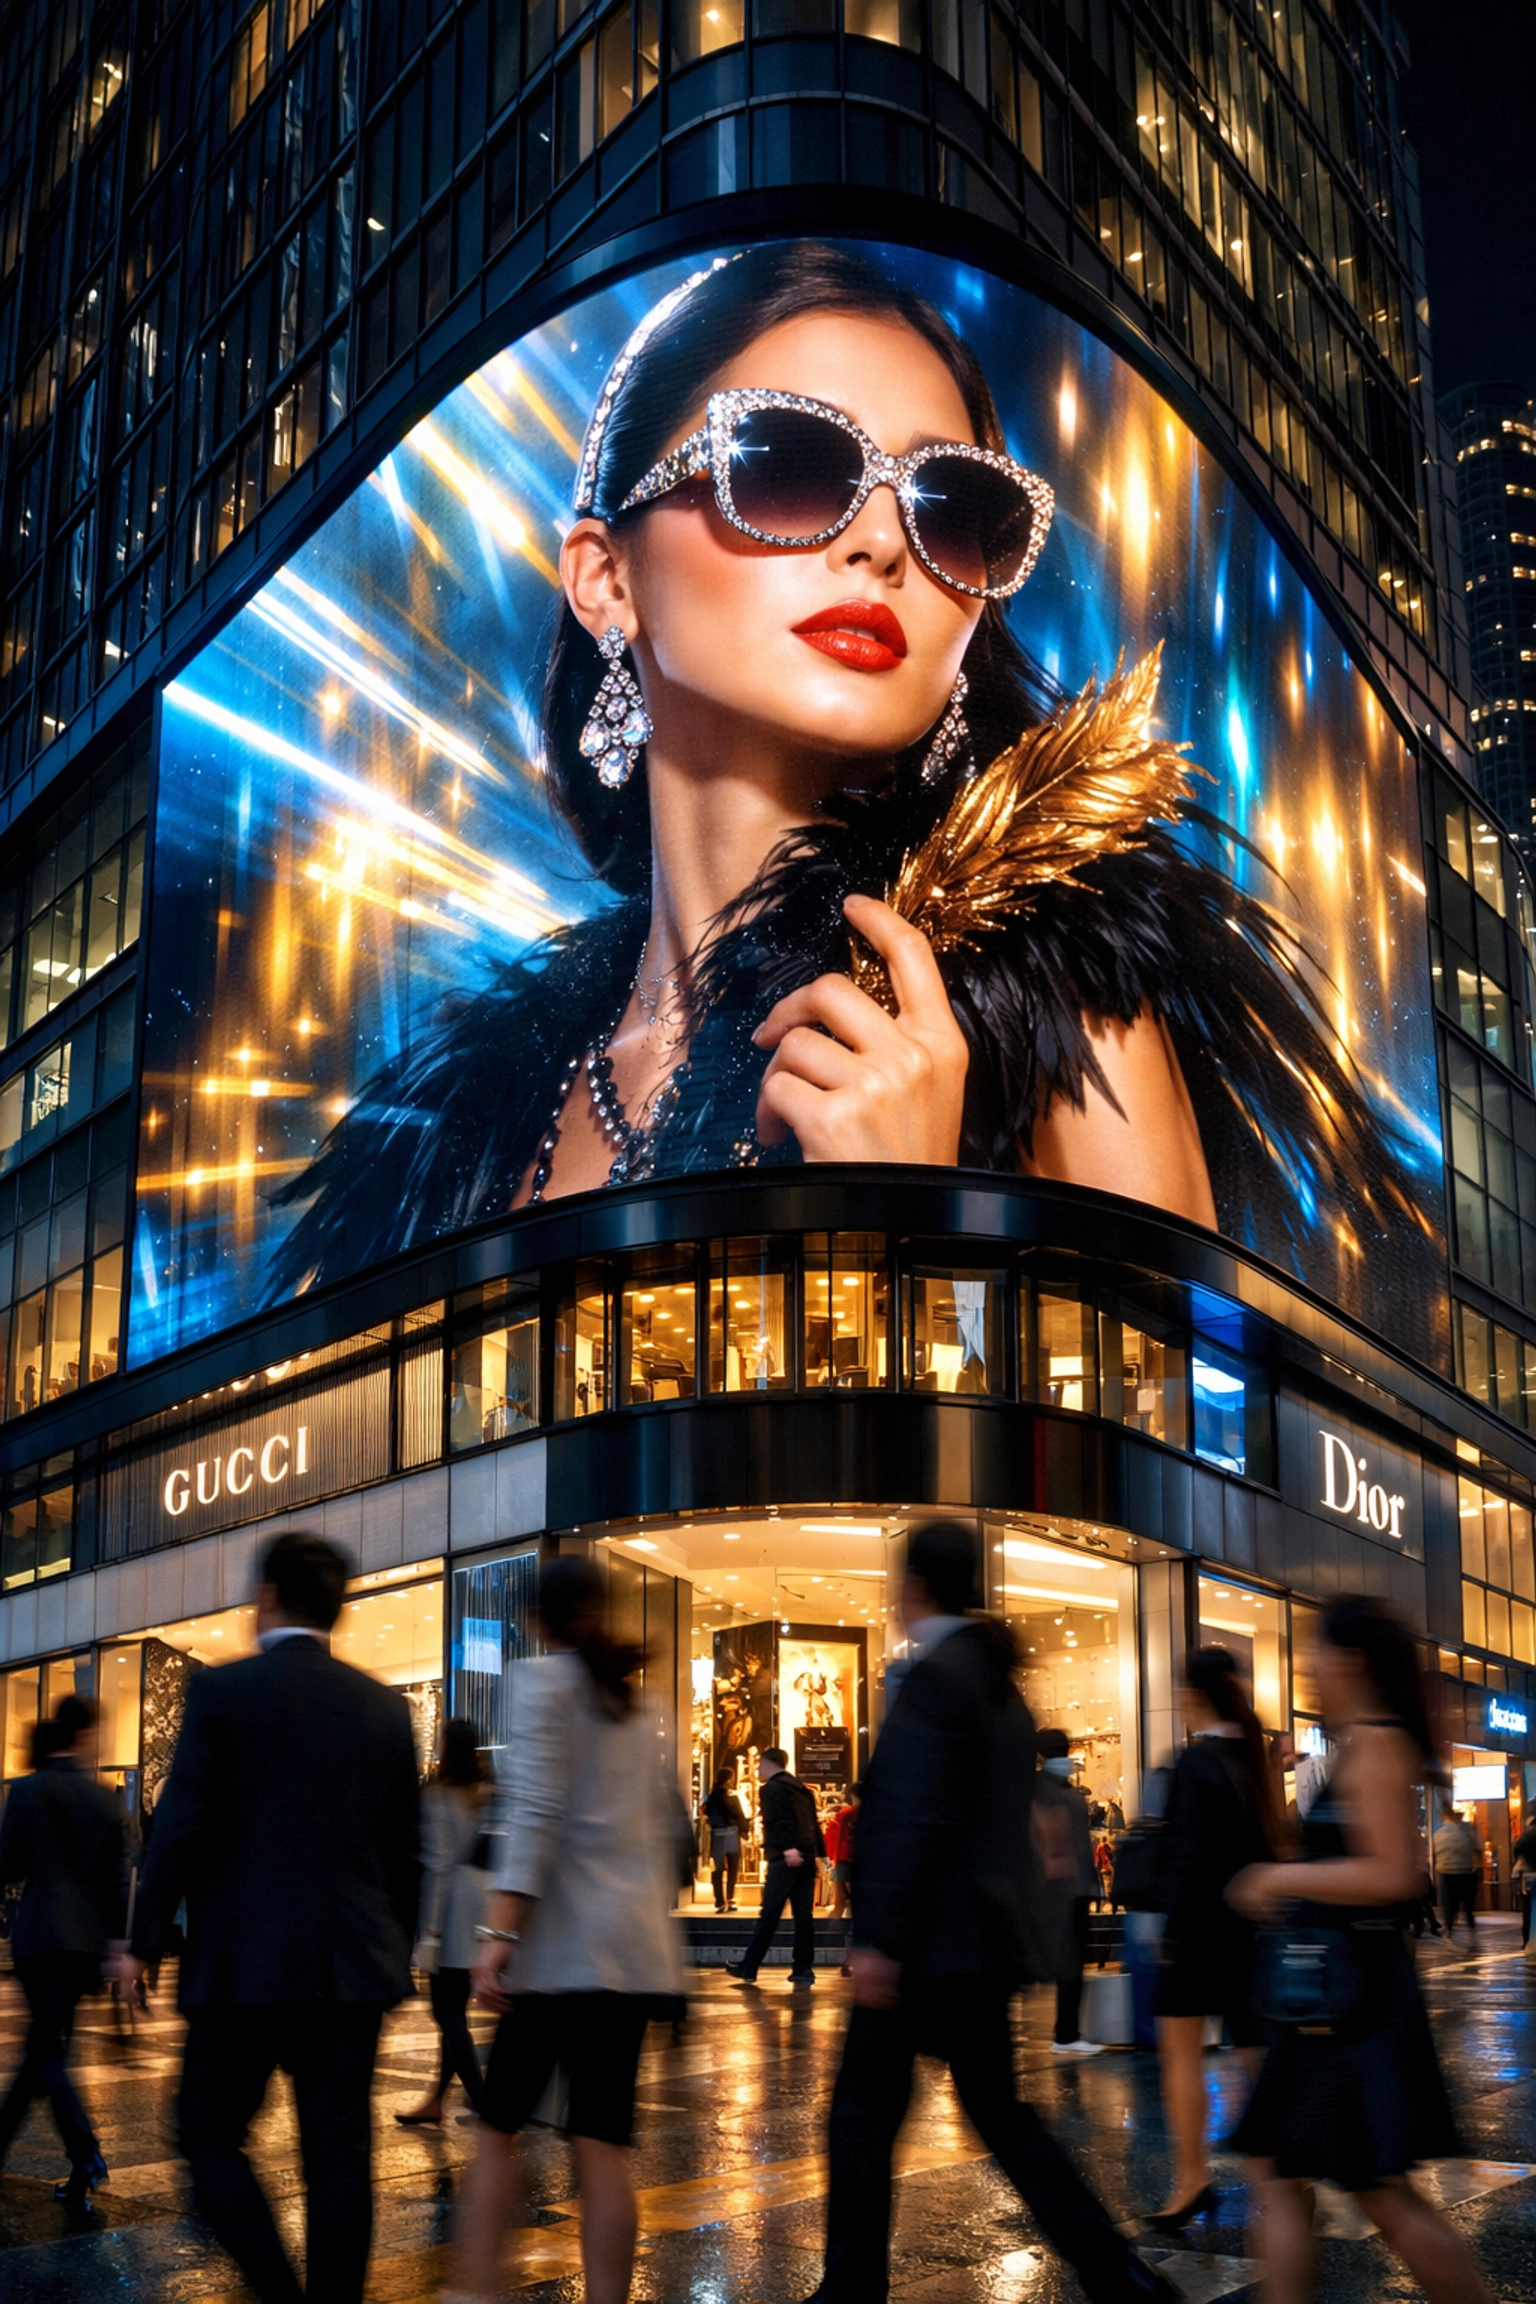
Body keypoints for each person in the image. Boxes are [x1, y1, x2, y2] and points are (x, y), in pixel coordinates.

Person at [269, 242, 1395, 1295]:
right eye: (792, 467)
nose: (885, 542)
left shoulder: (1046, 988)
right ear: (606, 578)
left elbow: (1182, 1470)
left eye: (956, 510)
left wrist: (915, 1216)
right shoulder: (470, 1122)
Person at [804, 1520, 1177, 2304]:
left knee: (864, 2120)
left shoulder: (935, 1678)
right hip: (975, 1945)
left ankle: (850, 2288)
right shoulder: (999, 1684)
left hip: (922, 1951)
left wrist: (877, 1940)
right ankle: (1115, 2271)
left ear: (913, 1589)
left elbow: (909, 1814)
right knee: (1003, 2119)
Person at [118, 1532, 421, 2304]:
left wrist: (143, 1941)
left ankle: (279, 2293)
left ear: (268, 1597)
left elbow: (179, 1826)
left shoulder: (223, 1693)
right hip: (350, 1971)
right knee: (341, 2161)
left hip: (242, 1965)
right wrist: (393, 1947)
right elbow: (407, 1855)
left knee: (208, 2136)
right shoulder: (384, 1709)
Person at [1229, 1595, 1495, 2304]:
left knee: (1378, 2191)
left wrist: (1279, 1873)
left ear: (1347, 1661)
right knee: (1293, 2177)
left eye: (1316, 1651)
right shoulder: (1363, 1744)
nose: (1308, 1666)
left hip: (1347, 2008)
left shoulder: (1377, 1746)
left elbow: (1393, 1873)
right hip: (1340, 1998)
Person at [446, 1557, 685, 2304]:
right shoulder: (644, 1705)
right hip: (632, 1958)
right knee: (601, 2144)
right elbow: (659, 1834)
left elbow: (534, 1816)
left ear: (536, 1621)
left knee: (497, 2130)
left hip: (558, 1959)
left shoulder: (540, 1684)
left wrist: (499, 1935)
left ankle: (474, 2292)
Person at [1148, 1644, 1278, 2230]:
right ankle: (1281, 2172)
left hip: (1198, 1934)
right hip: (1249, 1932)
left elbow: (1185, 1857)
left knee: (1179, 2057)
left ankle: (1192, 2179)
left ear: (1192, 1696)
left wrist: (1169, 1934)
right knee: (1259, 2057)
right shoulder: (1256, 1760)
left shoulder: (1194, 1763)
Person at [0, 1696, 127, 2208]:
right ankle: (76, 2167)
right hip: (86, 1944)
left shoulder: (28, 1791)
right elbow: (117, 1880)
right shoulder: (102, 1798)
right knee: (43, 2052)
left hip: (40, 1936)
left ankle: (87, 2152)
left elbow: (7, 1866)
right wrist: (118, 1946)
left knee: (46, 2054)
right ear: (83, 1735)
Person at [397, 1716, 494, 2128]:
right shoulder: (486, 1793)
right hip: (484, 1906)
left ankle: (486, 2101)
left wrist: (431, 1928)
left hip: (450, 1912)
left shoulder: (438, 1796)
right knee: (454, 2011)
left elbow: (437, 1864)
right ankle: (436, 2101)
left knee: (447, 2013)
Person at [725, 1747, 825, 1985]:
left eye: (760, 1764)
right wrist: (820, 1854)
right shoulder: (802, 1789)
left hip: (785, 1858)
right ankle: (803, 1968)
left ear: (770, 1764)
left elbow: (778, 1820)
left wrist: (788, 1847)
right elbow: (812, 1822)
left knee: (769, 1914)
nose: (758, 1769)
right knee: (803, 1916)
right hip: (807, 1857)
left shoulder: (771, 1788)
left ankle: (749, 1967)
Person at [1033, 1729, 1103, 2060]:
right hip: (1061, 1885)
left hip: (1074, 1884)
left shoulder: (1057, 1786)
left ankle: (1068, 2031)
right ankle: (1066, 2033)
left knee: (1073, 1959)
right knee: (1069, 1958)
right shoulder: (1042, 1787)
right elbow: (1044, 1824)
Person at [825, 1781, 862, 1973]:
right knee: (858, 1910)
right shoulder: (874, 1815)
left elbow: (838, 1839)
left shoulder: (845, 1813)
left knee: (840, 1903)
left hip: (843, 1861)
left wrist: (835, 1860)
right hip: (862, 1864)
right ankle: (848, 1957)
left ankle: (829, 1933)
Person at [1432, 1801, 1480, 1947]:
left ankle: (1449, 1933)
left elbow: (1434, 1854)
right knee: (1468, 1907)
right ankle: (1472, 1935)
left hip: (1446, 1873)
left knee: (1449, 1906)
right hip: (1466, 1872)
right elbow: (1477, 1847)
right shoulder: (1466, 1831)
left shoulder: (1438, 1834)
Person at [703, 1763, 748, 1912]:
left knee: (718, 1868)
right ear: (728, 1779)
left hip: (717, 1835)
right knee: (733, 1868)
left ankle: (719, 1900)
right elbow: (740, 1816)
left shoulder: (711, 1797)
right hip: (731, 1835)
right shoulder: (732, 1797)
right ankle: (730, 1899)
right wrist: (744, 1830)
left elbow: (706, 1812)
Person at [1512, 1817, 1536, 1951]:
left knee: (1528, 1910)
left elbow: (1517, 1852)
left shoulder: (1525, 1837)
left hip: (1527, 1875)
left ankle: (1527, 1940)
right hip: (1530, 1872)